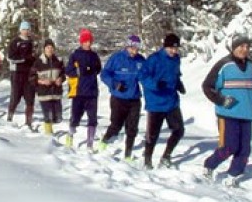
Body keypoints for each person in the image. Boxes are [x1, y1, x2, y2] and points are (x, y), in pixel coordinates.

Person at [201, 35, 252, 187]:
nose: (244, 50)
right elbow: (207, 86)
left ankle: (233, 175)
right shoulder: (224, 65)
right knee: (229, 147)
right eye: (240, 46)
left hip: (246, 114)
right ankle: (209, 165)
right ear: (233, 48)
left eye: (247, 47)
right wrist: (220, 100)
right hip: (227, 113)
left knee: (245, 149)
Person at [138, 33, 186, 170]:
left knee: (179, 130)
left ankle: (166, 156)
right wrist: (154, 84)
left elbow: (176, 74)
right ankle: (147, 159)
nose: (173, 51)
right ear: (165, 46)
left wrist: (179, 84)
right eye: (171, 48)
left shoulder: (176, 59)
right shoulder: (154, 59)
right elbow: (142, 75)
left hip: (171, 102)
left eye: (176, 48)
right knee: (153, 135)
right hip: (155, 102)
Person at [99, 34, 146, 162]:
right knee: (116, 125)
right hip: (118, 98)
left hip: (134, 99)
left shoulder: (140, 60)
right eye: (132, 48)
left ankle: (128, 154)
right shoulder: (117, 58)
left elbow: (147, 76)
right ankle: (104, 140)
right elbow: (104, 74)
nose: (134, 51)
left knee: (132, 128)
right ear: (127, 46)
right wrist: (114, 84)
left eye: (137, 49)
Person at [64, 28, 102, 151]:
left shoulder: (94, 55)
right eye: (85, 41)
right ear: (81, 42)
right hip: (78, 91)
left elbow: (98, 68)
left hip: (92, 91)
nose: (88, 43)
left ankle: (90, 143)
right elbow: (68, 70)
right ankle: (70, 135)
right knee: (75, 117)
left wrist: (94, 69)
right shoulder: (75, 55)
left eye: (89, 41)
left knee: (92, 118)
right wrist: (80, 71)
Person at [29, 39, 65, 136]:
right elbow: (31, 77)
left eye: (51, 48)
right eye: (48, 48)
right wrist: (42, 81)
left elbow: (63, 74)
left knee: (58, 117)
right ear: (44, 49)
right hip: (44, 93)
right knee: (48, 114)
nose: (50, 50)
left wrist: (60, 79)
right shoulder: (38, 62)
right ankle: (48, 133)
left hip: (56, 93)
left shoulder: (58, 61)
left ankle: (54, 131)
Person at [7, 21, 36, 127]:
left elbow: (35, 56)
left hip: (29, 74)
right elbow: (10, 57)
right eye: (24, 29)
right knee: (15, 97)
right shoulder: (15, 42)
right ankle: (9, 117)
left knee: (30, 98)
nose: (26, 31)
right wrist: (23, 59)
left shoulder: (32, 42)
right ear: (20, 30)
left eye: (28, 29)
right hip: (17, 73)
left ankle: (28, 122)